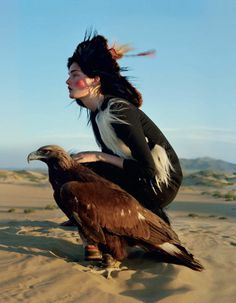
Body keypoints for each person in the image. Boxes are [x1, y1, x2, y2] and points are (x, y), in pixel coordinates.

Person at [65, 32, 183, 260]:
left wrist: (99, 157)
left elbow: (148, 170)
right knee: (73, 167)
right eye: (68, 74)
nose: (68, 81)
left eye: (74, 74)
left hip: (159, 184)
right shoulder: (99, 115)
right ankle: (91, 227)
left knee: (89, 167)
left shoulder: (118, 111)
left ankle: (132, 233)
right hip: (138, 177)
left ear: (95, 79)